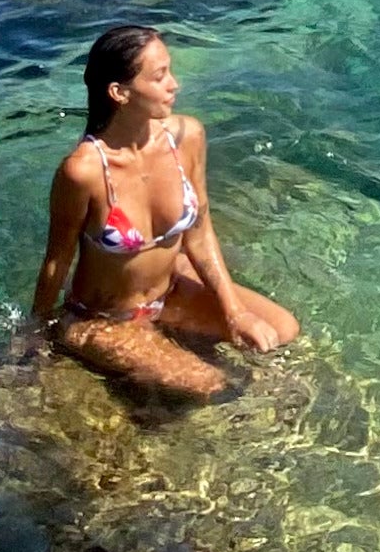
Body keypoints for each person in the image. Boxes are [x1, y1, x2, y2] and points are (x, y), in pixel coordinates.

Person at [33, 22, 300, 401]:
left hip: (171, 291)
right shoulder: (83, 172)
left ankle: (170, 339)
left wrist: (234, 311)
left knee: (282, 331)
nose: (175, 85)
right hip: (108, 316)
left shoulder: (187, 137)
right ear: (119, 92)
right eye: (160, 77)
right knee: (209, 385)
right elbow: (55, 263)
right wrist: (36, 339)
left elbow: (200, 231)